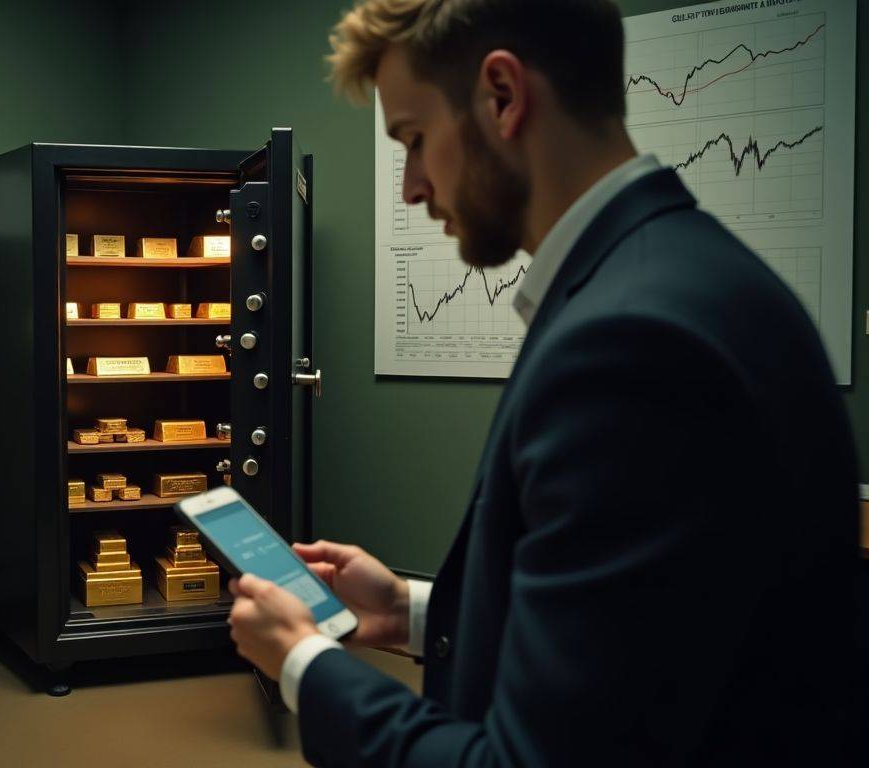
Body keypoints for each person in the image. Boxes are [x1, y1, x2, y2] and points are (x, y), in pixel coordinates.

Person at [226, 0, 866, 765]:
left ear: (503, 96)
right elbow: (647, 650)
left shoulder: (631, 348)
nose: (411, 188)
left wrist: (304, 662)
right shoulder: (680, 276)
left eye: (414, 140)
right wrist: (411, 610)